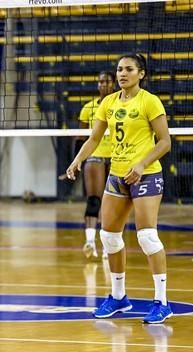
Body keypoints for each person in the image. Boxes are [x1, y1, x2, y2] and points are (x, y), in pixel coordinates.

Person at [66, 54, 172, 324]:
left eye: (129, 69)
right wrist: (78, 160)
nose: (123, 74)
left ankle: (162, 301)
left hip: (146, 175)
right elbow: (95, 138)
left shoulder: (149, 101)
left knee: (147, 237)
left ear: (141, 74)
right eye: (119, 69)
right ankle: (118, 297)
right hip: (117, 175)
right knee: (109, 238)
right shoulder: (109, 103)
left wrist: (141, 163)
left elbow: (165, 142)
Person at [77, 70, 116, 259]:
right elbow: (81, 138)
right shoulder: (88, 108)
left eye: (107, 82)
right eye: (100, 82)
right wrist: (76, 162)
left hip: (118, 157)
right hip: (95, 156)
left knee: (114, 203)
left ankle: (109, 245)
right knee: (94, 199)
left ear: (114, 84)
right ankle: (90, 242)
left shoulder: (122, 105)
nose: (103, 85)